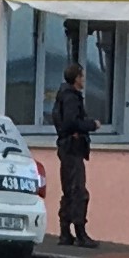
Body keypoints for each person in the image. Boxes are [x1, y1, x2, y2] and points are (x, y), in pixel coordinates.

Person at [51, 64, 95, 247]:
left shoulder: (64, 95)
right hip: (72, 148)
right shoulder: (71, 98)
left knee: (70, 190)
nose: (83, 80)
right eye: (82, 76)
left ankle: (65, 232)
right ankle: (79, 232)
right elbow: (71, 122)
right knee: (78, 191)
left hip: (68, 147)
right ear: (76, 78)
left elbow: (58, 119)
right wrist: (91, 125)